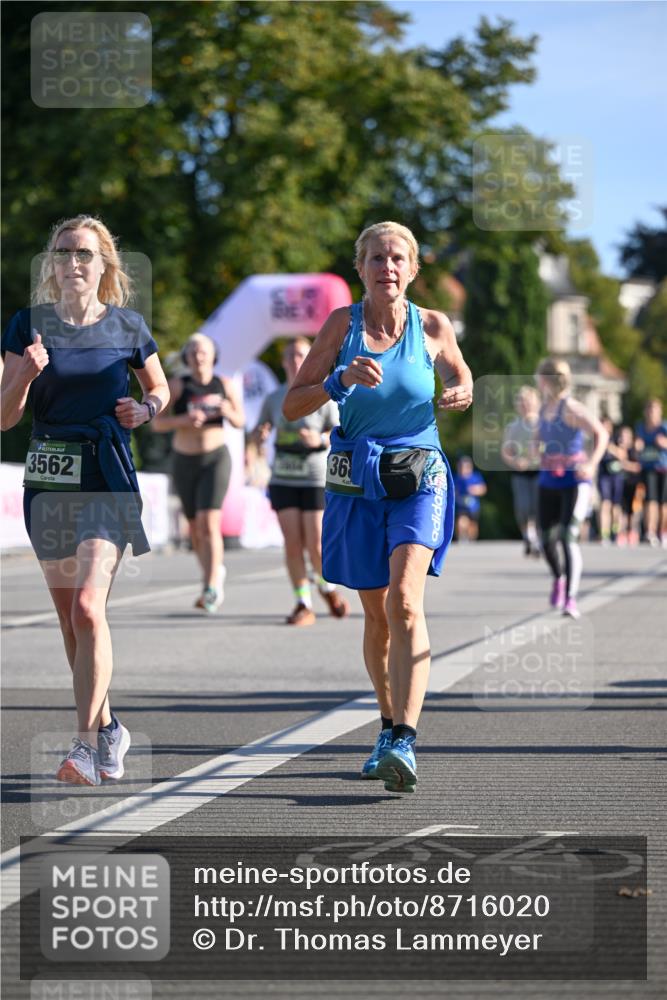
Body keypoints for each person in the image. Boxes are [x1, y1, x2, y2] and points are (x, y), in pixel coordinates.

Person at [283, 221, 472, 793]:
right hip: (357, 475)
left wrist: (463, 386)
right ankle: (387, 726)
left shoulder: (432, 325)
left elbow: (458, 371)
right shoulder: (341, 326)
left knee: (406, 603)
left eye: (397, 259)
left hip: (420, 473)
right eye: (375, 259)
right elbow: (293, 405)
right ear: (359, 268)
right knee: (376, 613)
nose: (386, 268)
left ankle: (405, 740)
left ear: (412, 270)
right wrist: (338, 379)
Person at [0, 214, 169, 786]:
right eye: (65, 252)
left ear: (105, 266)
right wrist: (24, 373)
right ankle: (111, 726)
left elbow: (160, 388)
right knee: (72, 626)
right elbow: (4, 418)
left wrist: (145, 411)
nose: (74, 263)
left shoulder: (128, 326)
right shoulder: (26, 326)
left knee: (88, 609)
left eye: (85, 254)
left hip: (104, 476)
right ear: (52, 263)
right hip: (48, 483)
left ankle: (85, 747)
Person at [254, 337, 350, 625]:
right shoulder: (273, 398)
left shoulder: (322, 394)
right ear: (284, 362)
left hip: (314, 477)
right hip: (283, 476)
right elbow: (259, 430)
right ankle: (302, 602)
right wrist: (258, 434)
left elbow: (340, 434)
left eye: (302, 355)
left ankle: (327, 588)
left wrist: (319, 439)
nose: (297, 360)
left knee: (316, 545)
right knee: (292, 544)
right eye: (292, 356)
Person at [152, 333, 244, 611]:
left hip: (215, 459)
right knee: (194, 527)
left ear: (213, 355)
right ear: (186, 357)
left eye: (202, 350)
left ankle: (212, 584)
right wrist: (184, 419)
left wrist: (228, 410)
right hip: (184, 460)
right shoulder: (178, 386)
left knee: (209, 521)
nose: (197, 355)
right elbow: (157, 424)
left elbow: (241, 422)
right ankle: (210, 575)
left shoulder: (224, 384)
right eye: (192, 350)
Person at [535, 358, 608, 619]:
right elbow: (538, 439)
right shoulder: (544, 409)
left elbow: (601, 433)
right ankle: (559, 578)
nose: (537, 382)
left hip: (574, 479)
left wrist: (591, 463)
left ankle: (571, 599)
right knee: (544, 539)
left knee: (568, 536)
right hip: (548, 479)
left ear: (548, 380)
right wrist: (535, 451)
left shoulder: (572, 408)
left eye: (539, 378)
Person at [501, 385, 541, 555]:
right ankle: (528, 536)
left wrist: (536, 457)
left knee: (538, 508)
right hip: (520, 472)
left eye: (528, 401)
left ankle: (538, 540)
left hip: (540, 471)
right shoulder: (513, 427)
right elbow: (505, 450)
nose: (525, 405)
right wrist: (515, 461)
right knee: (523, 508)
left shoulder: (542, 424)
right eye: (522, 402)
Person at [634, 398, 667, 547]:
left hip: (663, 468)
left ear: (659, 411)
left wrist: (664, 443)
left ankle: (663, 531)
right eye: (649, 409)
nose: (652, 412)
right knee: (650, 500)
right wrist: (637, 446)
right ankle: (650, 532)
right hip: (648, 468)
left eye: (654, 409)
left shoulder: (664, 427)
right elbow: (637, 445)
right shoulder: (641, 427)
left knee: (663, 503)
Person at [597, 417, 625, 544]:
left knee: (616, 506)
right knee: (605, 503)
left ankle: (616, 531)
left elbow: (623, 455)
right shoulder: (595, 440)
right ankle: (604, 533)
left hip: (616, 475)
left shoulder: (616, 439)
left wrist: (609, 447)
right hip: (603, 476)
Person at [453, 455, 487, 542]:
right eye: (460, 467)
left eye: (465, 467)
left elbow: (483, 489)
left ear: (470, 467)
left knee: (472, 525)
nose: (463, 469)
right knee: (461, 521)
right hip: (461, 506)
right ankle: (462, 538)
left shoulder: (475, 477)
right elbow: (452, 490)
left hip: (473, 507)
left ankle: (471, 540)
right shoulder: (456, 478)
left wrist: (474, 490)